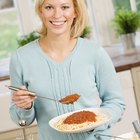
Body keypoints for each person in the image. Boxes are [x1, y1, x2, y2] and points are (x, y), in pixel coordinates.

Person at [9, 0, 126, 139]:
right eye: (49, 7)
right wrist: (25, 107)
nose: (57, 15)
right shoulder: (21, 58)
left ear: (75, 11)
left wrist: (95, 123)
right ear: (41, 11)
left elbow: (116, 102)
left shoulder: (95, 52)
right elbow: (21, 121)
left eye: (65, 7)